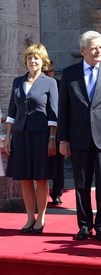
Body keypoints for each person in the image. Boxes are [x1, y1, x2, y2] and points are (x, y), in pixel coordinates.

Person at [58, 30, 101, 241]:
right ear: (82, 51)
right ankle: (85, 225)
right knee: (81, 185)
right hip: (78, 138)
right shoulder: (70, 74)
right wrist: (62, 139)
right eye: (94, 48)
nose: (99, 51)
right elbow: (63, 110)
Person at [4, 43, 58, 234]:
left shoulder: (50, 82)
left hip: (41, 135)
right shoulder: (17, 82)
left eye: (35, 58)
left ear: (42, 61)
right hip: (20, 135)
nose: (32, 61)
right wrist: (8, 137)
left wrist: (52, 138)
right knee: (25, 178)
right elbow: (12, 111)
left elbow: (53, 113)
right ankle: (29, 218)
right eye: (29, 58)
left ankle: (41, 218)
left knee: (41, 178)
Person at [44, 60, 65, 205]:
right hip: (40, 128)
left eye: (51, 71)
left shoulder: (59, 85)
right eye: (46, 72)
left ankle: (57, 192)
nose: (49, 74)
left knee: (58, 163)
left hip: (57, 129)